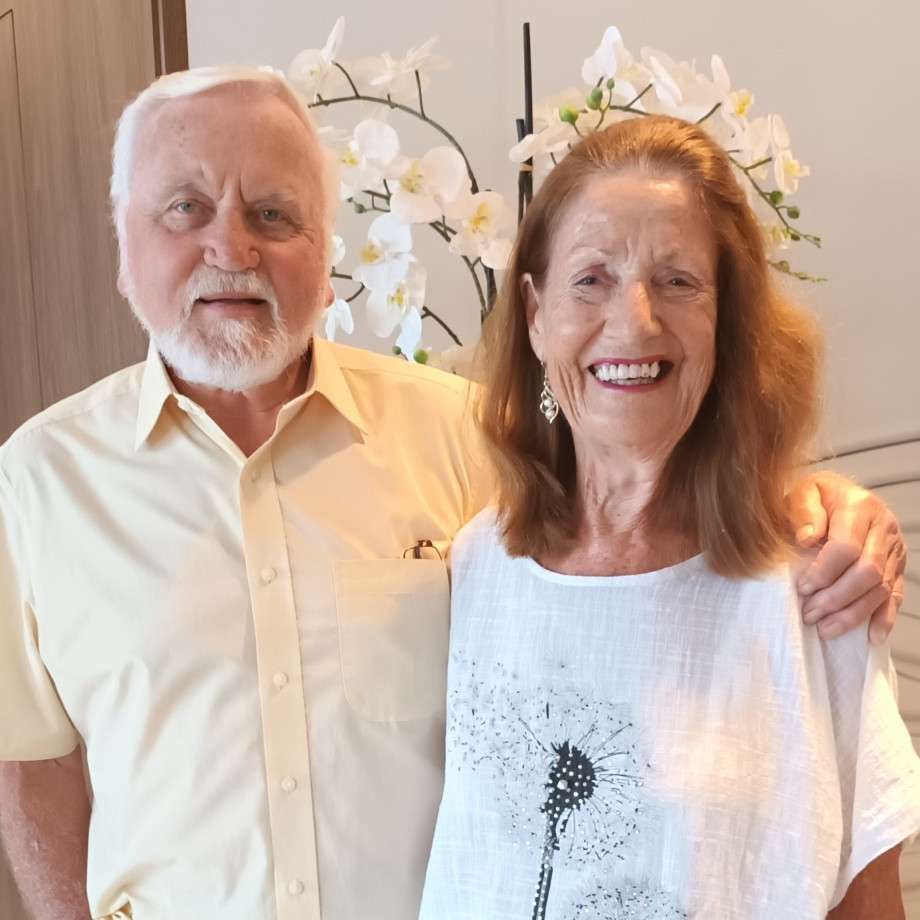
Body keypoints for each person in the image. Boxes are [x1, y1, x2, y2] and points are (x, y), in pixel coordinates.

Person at [0, 68, 907, 920]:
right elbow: (31, 764)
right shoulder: (35, 484)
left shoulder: (468, 441)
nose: (231, 247)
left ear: (324, 252)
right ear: (123, 247)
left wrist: (824, 506)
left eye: (273, 214)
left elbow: (635, 476)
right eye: (185, 209)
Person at [419, 115, 920, 919]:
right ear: (536, 313)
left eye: (678, 280)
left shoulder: (818, 589)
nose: (635, 320)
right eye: (592, 278)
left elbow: (869, 905)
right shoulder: (473, 569)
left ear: (729, 320)